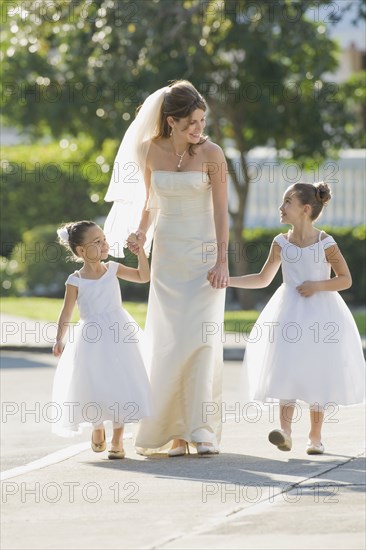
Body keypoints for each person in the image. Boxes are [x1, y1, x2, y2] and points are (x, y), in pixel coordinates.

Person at [104, 80, 229, 456]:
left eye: (202, 120)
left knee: (202, 339)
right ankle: (174, 433)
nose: (199, 128)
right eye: (192, 121)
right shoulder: (150, 150)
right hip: (168, 256)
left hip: (205, 256)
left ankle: (200, 429)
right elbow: (149, 203)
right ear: (171, 121)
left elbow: (221, 213)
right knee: (170, 341)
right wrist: (141, 234)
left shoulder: (213, 154)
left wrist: (222, 260)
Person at [221, 182, 365, 455]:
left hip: (321, 314)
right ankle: (285, 432)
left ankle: (315, 436)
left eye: (288, 201)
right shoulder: (280, 243)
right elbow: (263, 279)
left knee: (317, 369)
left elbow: (345, 279)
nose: (281, 206)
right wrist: (228, 281)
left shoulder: (325, 243)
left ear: (305, 209)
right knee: (284, 366)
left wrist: (316, 285)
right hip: (287, 314)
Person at [52, 220, 152, 459]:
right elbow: (66, 312)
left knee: (121, 380)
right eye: (97, 242)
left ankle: (118, 438)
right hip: (91, 337)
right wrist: (59, 339)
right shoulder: (75, 280)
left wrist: (141, 255)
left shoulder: (113, 269)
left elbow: (143, 277)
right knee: (94, 380)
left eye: (104, 239)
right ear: (81, 251)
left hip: (119, 332)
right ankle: (97, 425)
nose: (104, 244)